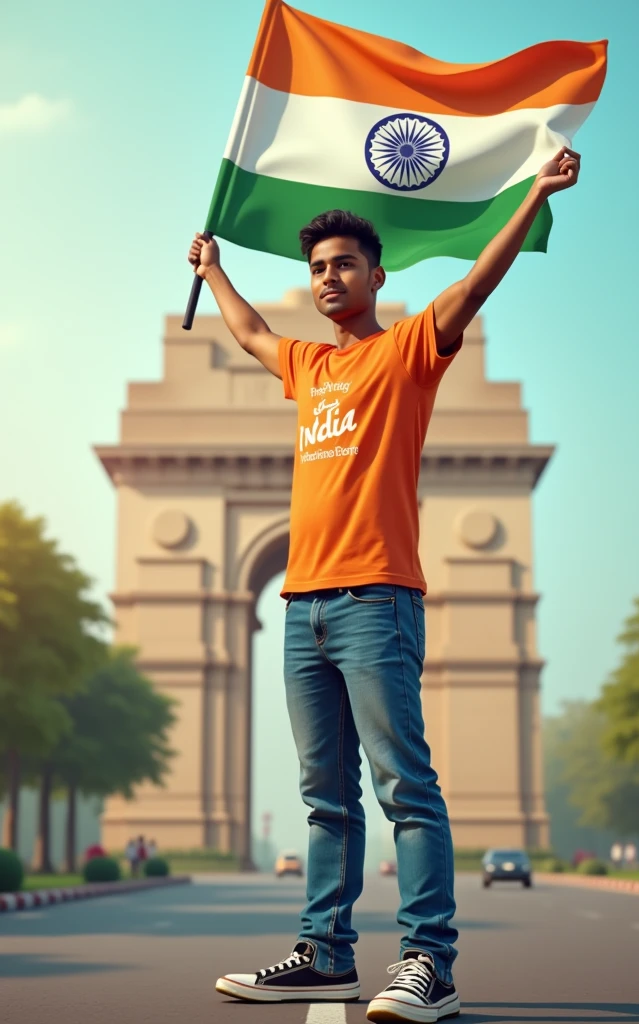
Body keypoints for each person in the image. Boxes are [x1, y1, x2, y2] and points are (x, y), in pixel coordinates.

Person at [193, 145, 580, 1023]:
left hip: (376, 601)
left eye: (344, 266)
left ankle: (427, 963)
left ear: (374, 273)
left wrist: (531, 197)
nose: (329, 279)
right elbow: (253, 334)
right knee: (323, 796)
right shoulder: (308, 367)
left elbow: (475, 287)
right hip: (303, 607)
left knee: (403, 785)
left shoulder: (407, 351)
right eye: (318, 269)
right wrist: (215, 270)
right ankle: (326, 953)